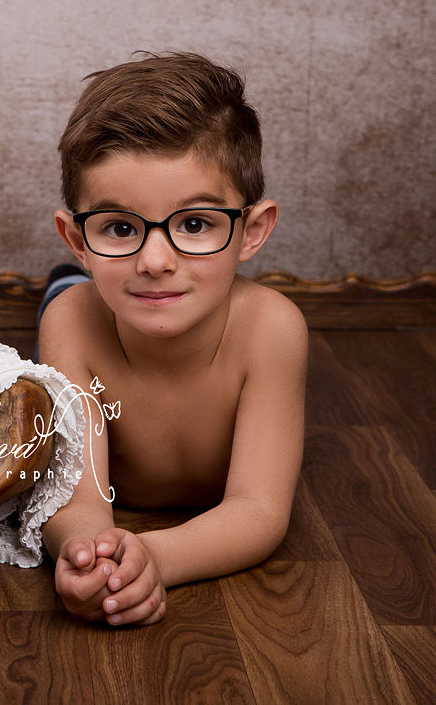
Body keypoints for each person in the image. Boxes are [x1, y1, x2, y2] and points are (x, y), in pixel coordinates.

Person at [37, 52, 307, 626]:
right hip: (86, 301)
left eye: (194, 224)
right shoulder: (72, 325)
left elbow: (258, 509)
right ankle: (65, 278)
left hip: (109, 290)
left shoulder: (272, 329)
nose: (156, 260)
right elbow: (77, 495)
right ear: (75, 236)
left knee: (97, 292)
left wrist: (156, 556)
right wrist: (89, 556)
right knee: (65, 304)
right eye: (118, 227)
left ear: (251, 231)